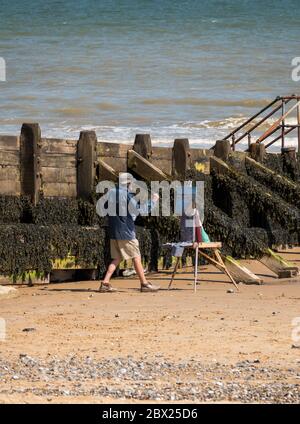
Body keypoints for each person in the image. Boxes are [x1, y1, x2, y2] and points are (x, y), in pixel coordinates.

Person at [99, 172, 160, 293]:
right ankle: (144, 284)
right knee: (136, 256)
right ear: (128, 183)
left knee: (117, 258)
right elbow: (141, 211)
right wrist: (153, 201)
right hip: (126, 231)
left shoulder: (111, 193)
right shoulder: (127, 196)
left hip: (113, 231)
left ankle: (105, 283)